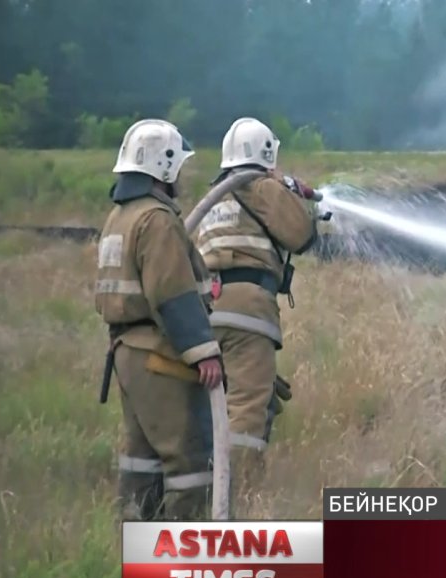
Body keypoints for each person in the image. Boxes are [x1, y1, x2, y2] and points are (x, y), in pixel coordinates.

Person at [95, 119, 225, 521]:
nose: (181, 176)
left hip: (127, 354)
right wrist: (203, 351)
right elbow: (171, 294)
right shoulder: (158, 220)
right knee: (189, 458)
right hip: (158, 355)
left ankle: (132, 538)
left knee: (143, 459)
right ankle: (188, 545)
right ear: (163, 166)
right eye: (178, 166)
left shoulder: (121, 217)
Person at [195, 117, 318, 508]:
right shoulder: (262, 186)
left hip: (204, 311)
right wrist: (289, 192)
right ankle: (237, 500)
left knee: (218, 405)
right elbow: (301, 234)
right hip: (246, 309)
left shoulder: (215, 197)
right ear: (267, 154)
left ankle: (202, 492)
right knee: (248, 408)